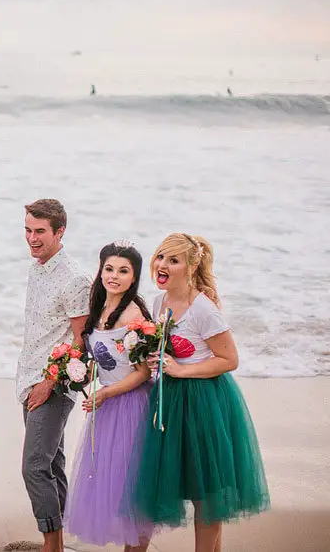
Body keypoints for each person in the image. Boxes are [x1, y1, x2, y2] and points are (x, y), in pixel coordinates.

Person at [134, 234, 269, 550]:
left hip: (203, 402)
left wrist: (182, 370)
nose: (162, 265)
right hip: (170, 402)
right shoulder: (158, 302)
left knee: (207, 492)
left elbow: (229, 359)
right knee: (177, 481)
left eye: (174, 260)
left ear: (192, 267)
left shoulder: (203, 308)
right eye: (161, 256)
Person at [63, 241, 153, 551]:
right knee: (111, 487)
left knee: (131, 491)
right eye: (109, 268)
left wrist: (105, 393)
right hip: (107, 405)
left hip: (131, 406)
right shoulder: (100, 309)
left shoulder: (133, 315)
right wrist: (79, 372)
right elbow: (100, 360)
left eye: (123, 271)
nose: (114, 276)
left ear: (134, 276)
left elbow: (142, 372)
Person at [17, 199, 91, 552]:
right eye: (28, 230)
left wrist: (49, 382)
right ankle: (59, 543)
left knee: (33, 466)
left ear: (60, 232)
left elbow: (81, 339)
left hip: (54, 385)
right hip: (28, 380)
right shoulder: (37, 267)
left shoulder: (74, 277)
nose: (32, 238)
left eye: (40, 231)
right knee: (52, 464)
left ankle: (51, 545)